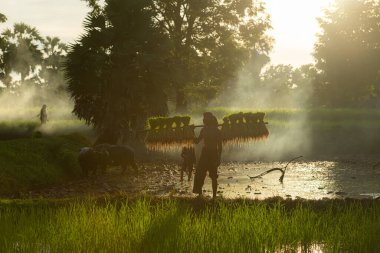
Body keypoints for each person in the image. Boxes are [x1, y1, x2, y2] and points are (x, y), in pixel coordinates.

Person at [193, 112, 222, 199]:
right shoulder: (204, 130)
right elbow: (197, 141)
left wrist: (219, 158)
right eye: (204, 118)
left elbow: (220, 146)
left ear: (211, 119)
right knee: (200, 173)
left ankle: (214, 196)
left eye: (206, 118)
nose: (204, 120)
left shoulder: (217, 131)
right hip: (206, 153)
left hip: (213, 153)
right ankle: (200, 194)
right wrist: (191, 131)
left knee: (213, 176)